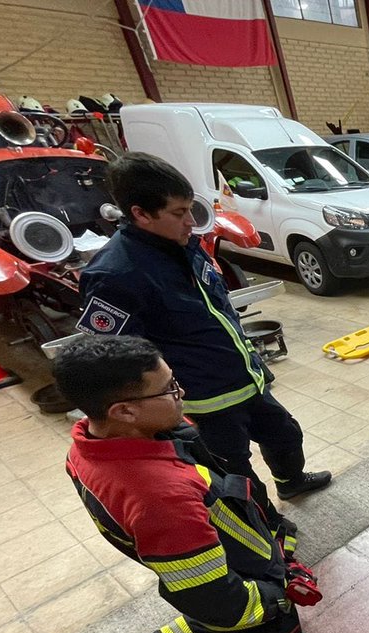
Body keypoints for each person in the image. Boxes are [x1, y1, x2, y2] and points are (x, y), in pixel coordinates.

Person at [53, 336, 320, 633]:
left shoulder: (93, 444)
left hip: (215, 562)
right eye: (170, 389)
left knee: (212, 625)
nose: (182, 395)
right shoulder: (160, 497)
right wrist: (275, 598)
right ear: (124, 411)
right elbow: (214, 597)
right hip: (231, 580)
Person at [78, 151, 330, 503]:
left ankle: (291, 481)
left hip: (246, 378)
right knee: (235, 474)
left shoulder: (184, 247)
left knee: (285, 434)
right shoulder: (114, 275)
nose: (189, 222)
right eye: (178, 213)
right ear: (140, 214)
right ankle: (265, 528)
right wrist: (162, 413)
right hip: (206, 401)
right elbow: (116, 361)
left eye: (189, 210)